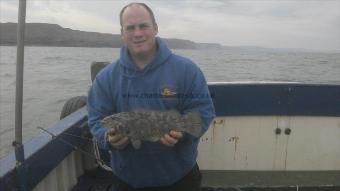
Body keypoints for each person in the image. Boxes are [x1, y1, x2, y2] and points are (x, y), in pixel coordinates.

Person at [87, 2, 215, 191]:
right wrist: (108, 138)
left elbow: (202, 112)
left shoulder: (187, 70)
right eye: (130, 28)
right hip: (128, 180)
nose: (137, 33)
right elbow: (97, 121)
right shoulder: (105, 78)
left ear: (155, 28)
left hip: (180, 178)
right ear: (122, 33)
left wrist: (182, 133)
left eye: (143, 25)